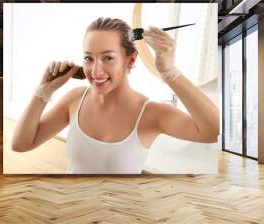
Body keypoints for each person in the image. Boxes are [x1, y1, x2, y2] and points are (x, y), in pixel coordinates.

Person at [12, 17, 219, 174]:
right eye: (88, 58)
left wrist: (170, 72)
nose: (95, 71)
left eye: (108, 58)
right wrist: (43, 92)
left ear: (130, 59)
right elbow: (21, 144)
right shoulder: (75, 98)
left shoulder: (152, 113)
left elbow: (213, 131)